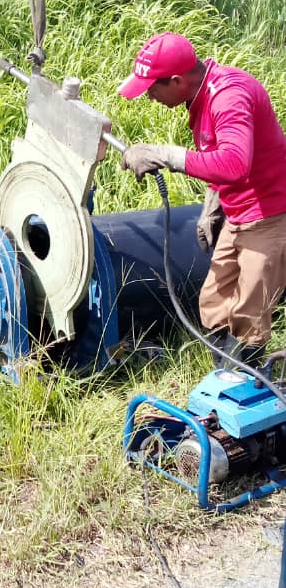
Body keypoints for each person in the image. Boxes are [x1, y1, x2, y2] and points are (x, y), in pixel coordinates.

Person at [118, 31, 286, 366]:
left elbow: (235, 163)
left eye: (153, 88)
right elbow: (225, 154)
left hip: (269, 213)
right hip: (240, 211)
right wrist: (216, 199)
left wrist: (167, 155)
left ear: (178, 81)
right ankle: (227, 373)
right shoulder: (201, 95)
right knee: (213, 300)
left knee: (249, 313)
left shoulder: (228, 98)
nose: (150, 96)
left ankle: (247, 388)